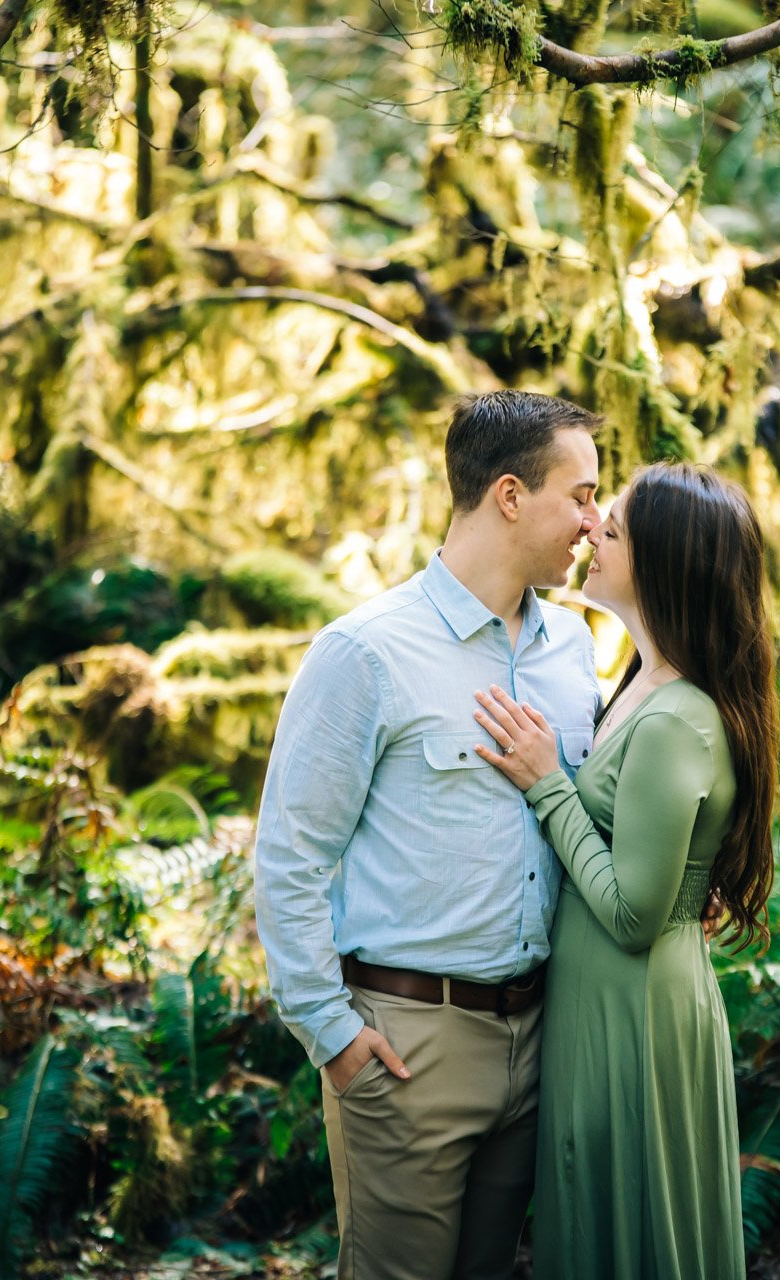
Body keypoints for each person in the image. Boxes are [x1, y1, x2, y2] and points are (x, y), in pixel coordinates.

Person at [252, 391, 605, 1280]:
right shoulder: (365, 651)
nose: (596, 524)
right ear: (512, 496)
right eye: (584, 495)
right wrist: (330, 1034)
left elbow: (589, 817)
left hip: (539, 1037)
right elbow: (291, 855)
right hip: (408, 1048)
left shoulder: (573, 648)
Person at [470, 461, 780, 1280]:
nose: (592, 532)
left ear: (665, 563)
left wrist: (547, 785)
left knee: (633, 1235)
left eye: (612, 529)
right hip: (602, 999)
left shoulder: (681, 716)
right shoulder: (641, 680)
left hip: (636, 1012)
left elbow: (635, 913)